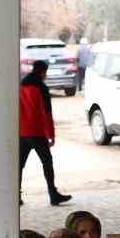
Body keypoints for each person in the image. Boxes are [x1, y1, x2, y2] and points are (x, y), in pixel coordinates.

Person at [20, 60, 72, 206]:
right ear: (43, 72)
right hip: (37, 132)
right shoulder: (41, 88)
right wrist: (51, 135)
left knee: (19, 165)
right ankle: (53, 194)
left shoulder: (20, 84)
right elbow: (46, 113)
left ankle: (16, 195)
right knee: (47, 163)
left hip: (22, 132)